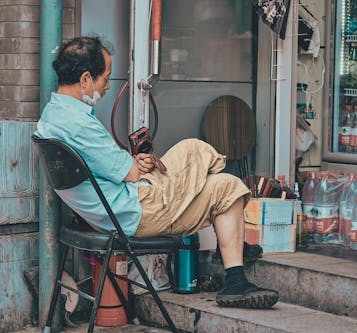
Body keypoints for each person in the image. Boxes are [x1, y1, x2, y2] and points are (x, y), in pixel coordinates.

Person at [35, 36, 279, 309]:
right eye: (105, 78)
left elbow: (118, 167)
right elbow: (129, 172)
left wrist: (135, 165)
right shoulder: (79, 125)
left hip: (121, 206)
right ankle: (233, 264)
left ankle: (230, 240)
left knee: (198, 158)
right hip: (137, 211)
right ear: (84, 80)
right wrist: (136, 164)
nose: (106, 86)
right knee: (220, 177)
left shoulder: (53, 116)